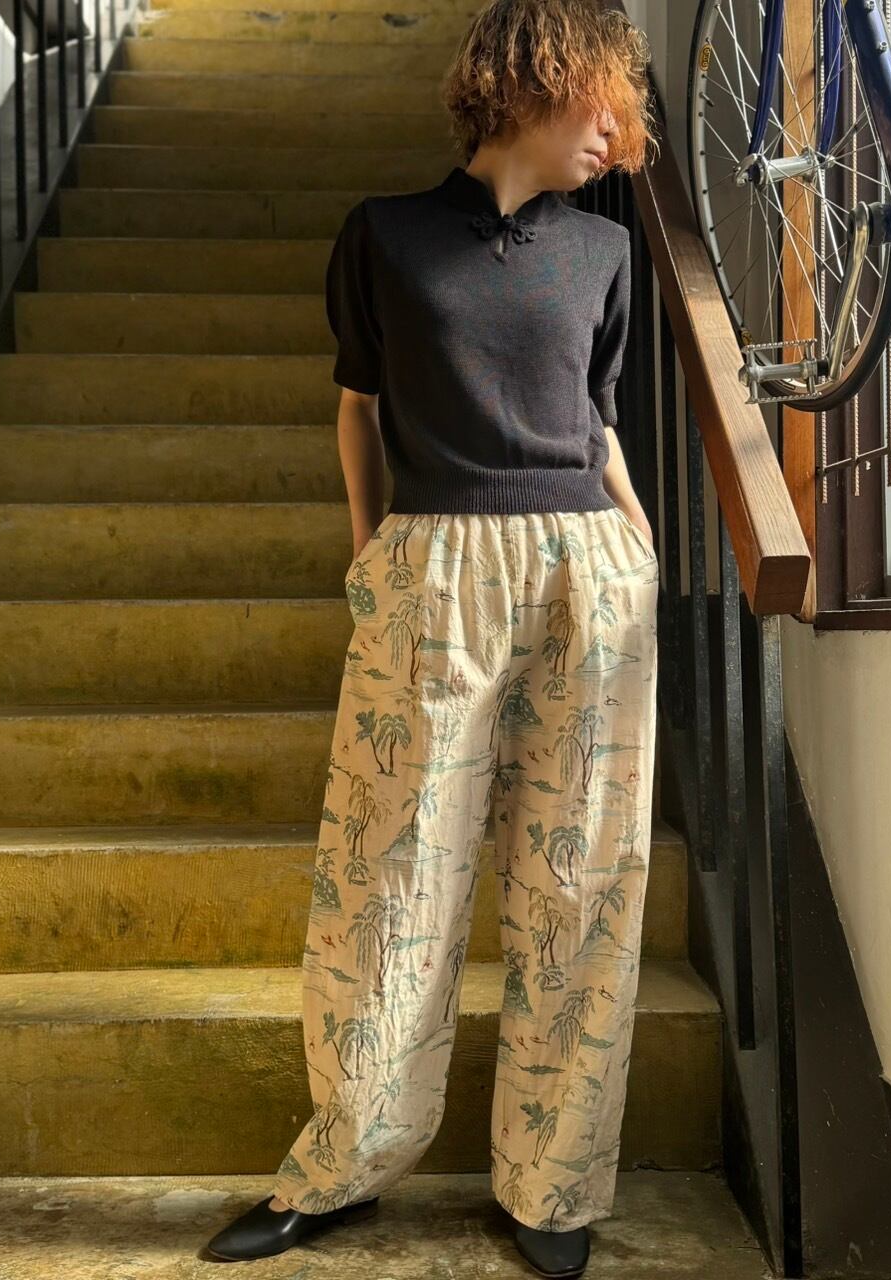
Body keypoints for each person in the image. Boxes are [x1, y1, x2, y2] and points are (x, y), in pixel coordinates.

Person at [202, 1, 654, 1275]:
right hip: (430, 563)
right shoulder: (384, 237)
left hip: (586, 569)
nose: (615, 136)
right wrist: (370, 550)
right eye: (600, 104)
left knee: (581, 880)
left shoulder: (604, 253)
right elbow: (356, 409)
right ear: (532, 82)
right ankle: (343, 1159)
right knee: (386, 872)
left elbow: (597, 423)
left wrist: (638, 547)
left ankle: (551, 1184)